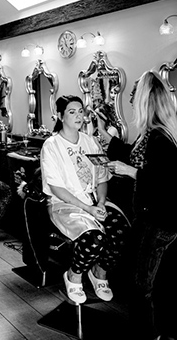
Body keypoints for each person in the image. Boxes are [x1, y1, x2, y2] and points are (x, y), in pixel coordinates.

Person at [107, 71, 177, 340]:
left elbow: (167, 182)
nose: (133, 102)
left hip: (158, 221)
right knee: (160, 285)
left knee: (140, 287)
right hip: (159, 220)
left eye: (136, 97)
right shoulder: (160, 134)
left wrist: (131, 172)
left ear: (146, 101)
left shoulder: (160, 139)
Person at [41, 95, 130, 304]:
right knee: (94, 238)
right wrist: (87, 209)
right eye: (72, 112)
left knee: (121, 231)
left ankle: (100, 272)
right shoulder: (52, 145)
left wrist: (100, 202)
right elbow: (55, 187)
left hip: (95, 203)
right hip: (66, 205)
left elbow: (101, 177)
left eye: (81, 111)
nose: (79, 116)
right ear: (61, 116)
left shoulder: (90, 142)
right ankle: (74, 275)